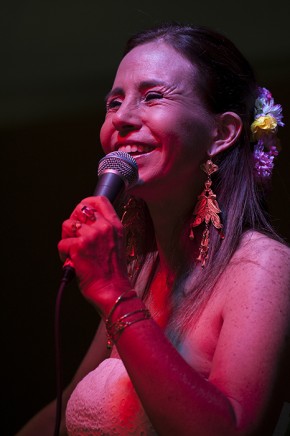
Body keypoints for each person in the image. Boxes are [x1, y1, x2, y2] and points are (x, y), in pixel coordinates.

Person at [17, 22, 290, 435]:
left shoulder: (264, 266)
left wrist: (114, 293)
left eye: (153, 96)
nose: (122, 118)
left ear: (222, 133)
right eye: (113, 102)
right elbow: (71, 400)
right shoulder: (142, 269)